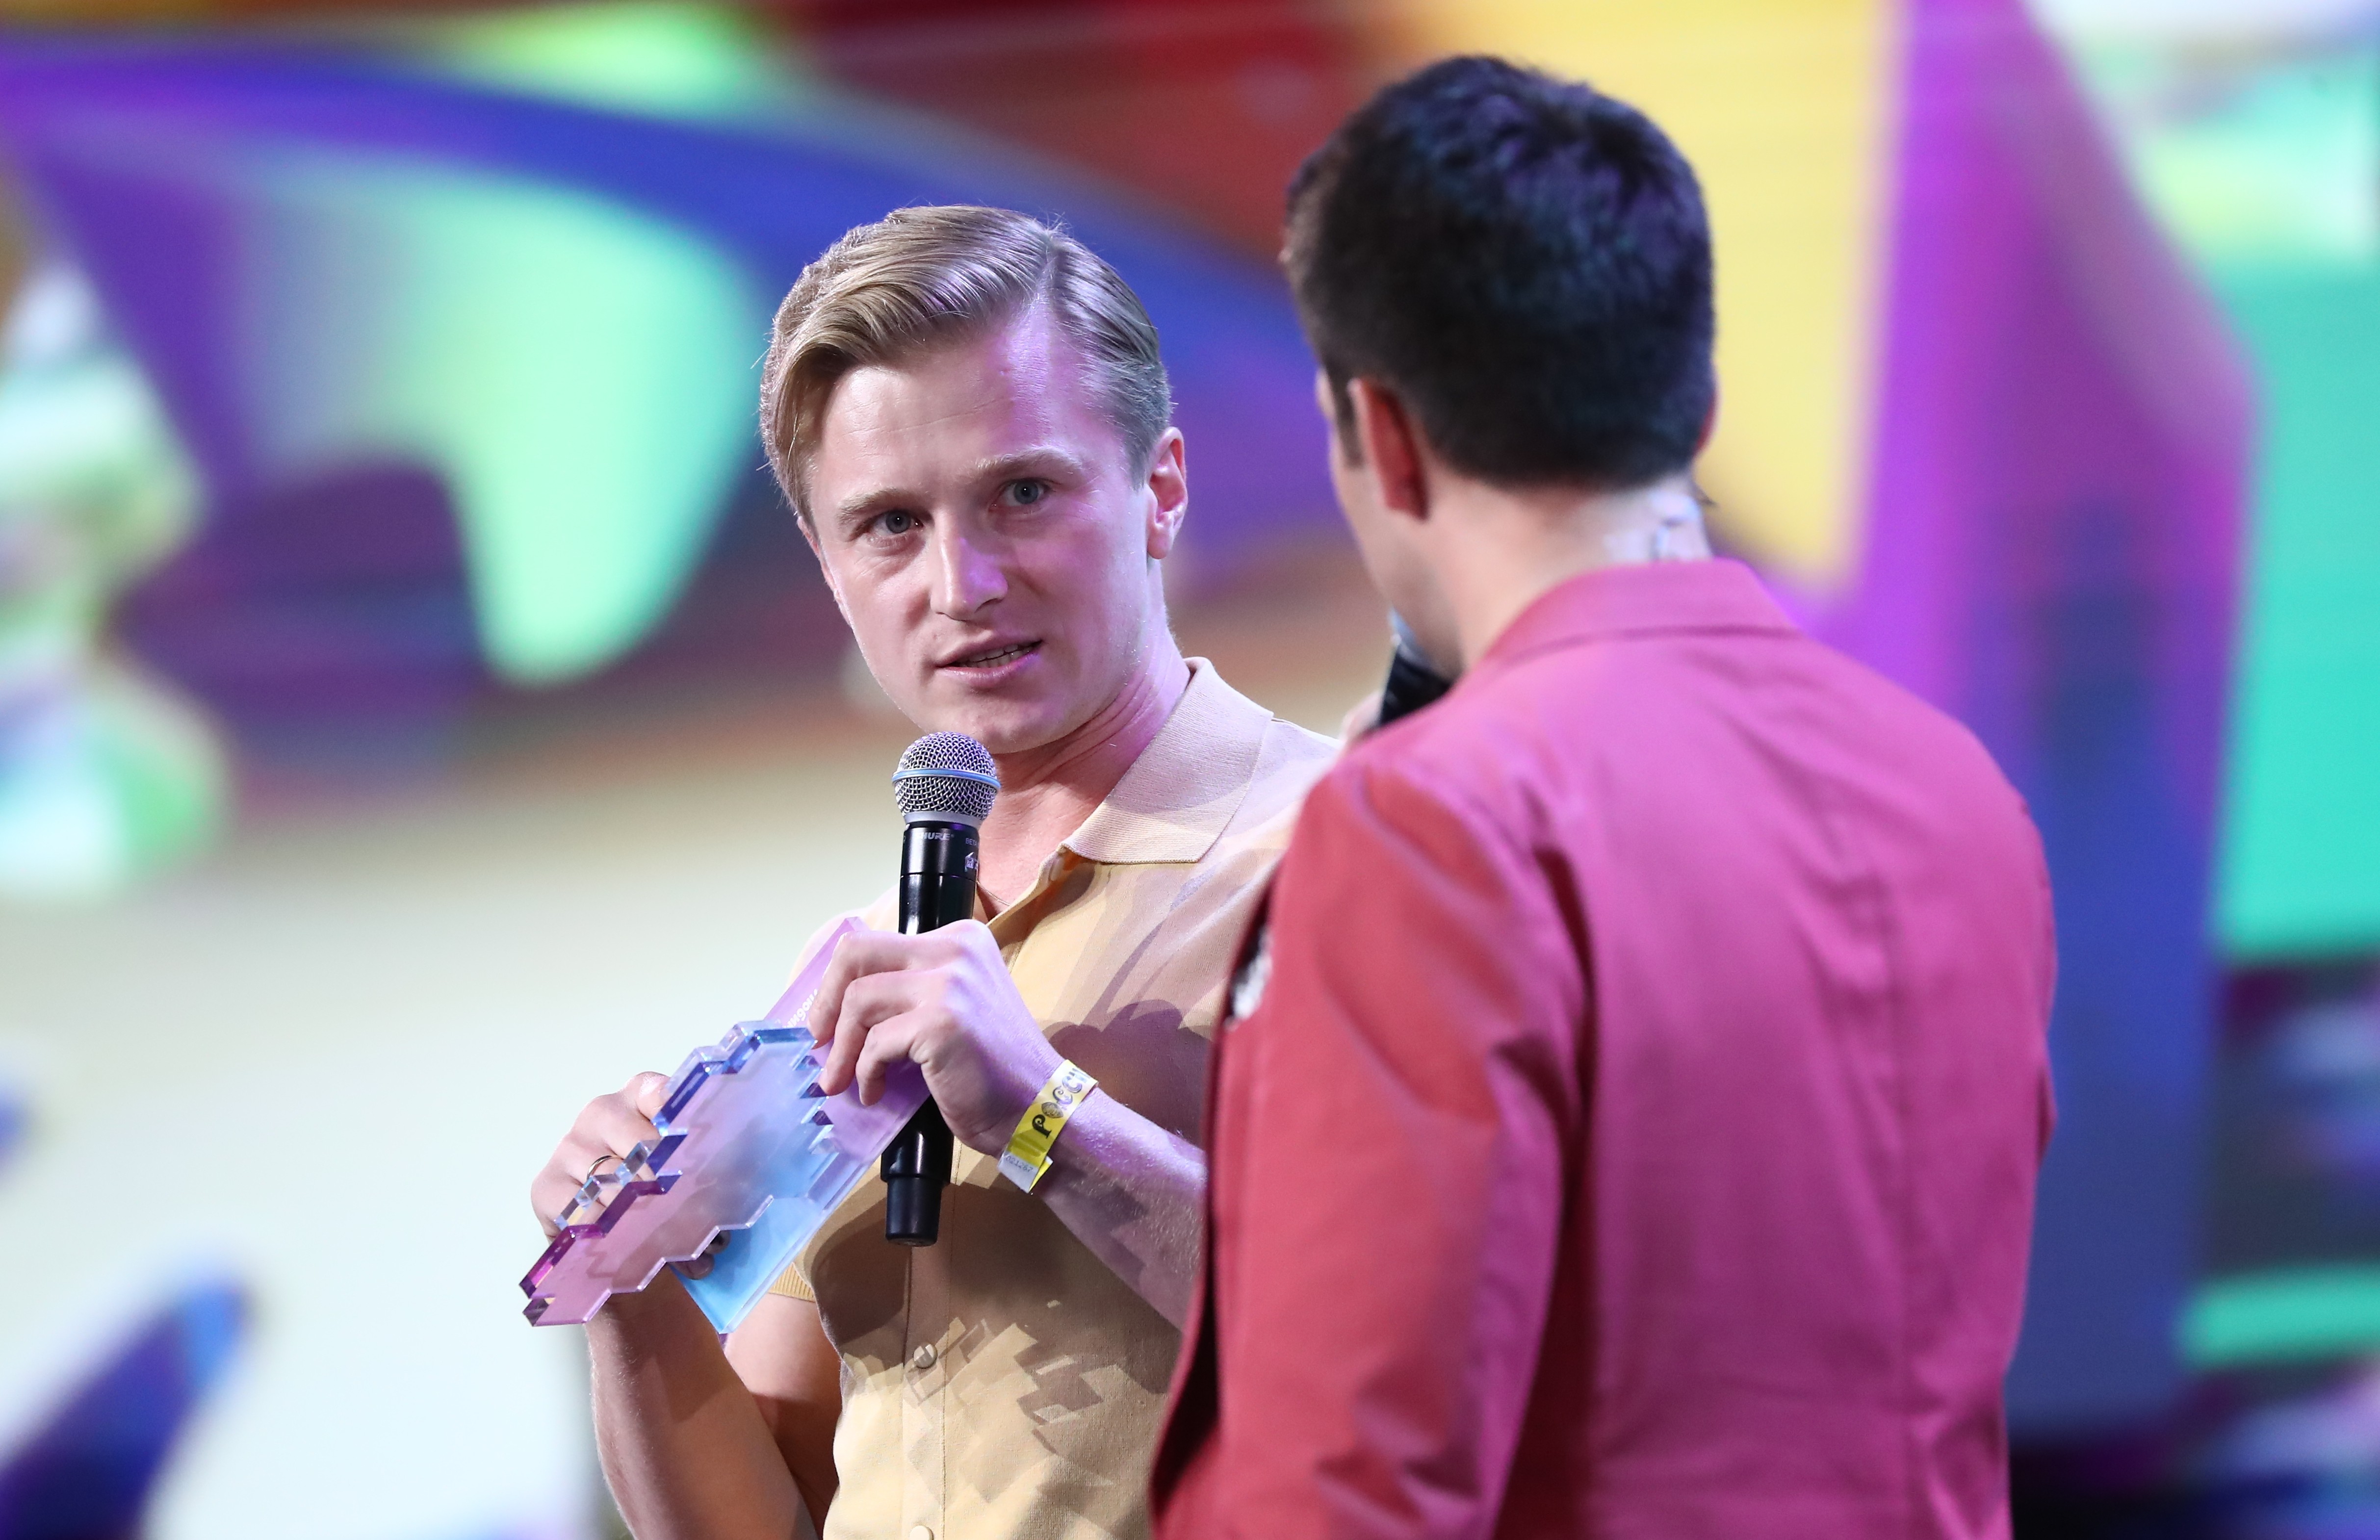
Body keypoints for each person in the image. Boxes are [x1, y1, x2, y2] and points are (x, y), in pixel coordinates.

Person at [1151, 58, 2057, 1540]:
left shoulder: (1434, 823)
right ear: (1695, 406)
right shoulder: (1954, 791)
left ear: (1382, 438)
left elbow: (1344, 1492)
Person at [530, 206, 1335, 1540]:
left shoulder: (1347, 857)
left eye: (1022, 493)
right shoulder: (862, 966)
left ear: (1161, 489)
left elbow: (1419, 1352)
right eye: (890, 524)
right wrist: (627, 1284)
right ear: (828, 566)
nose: (962, 584)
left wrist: (1043, 1115)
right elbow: (772, 1515)